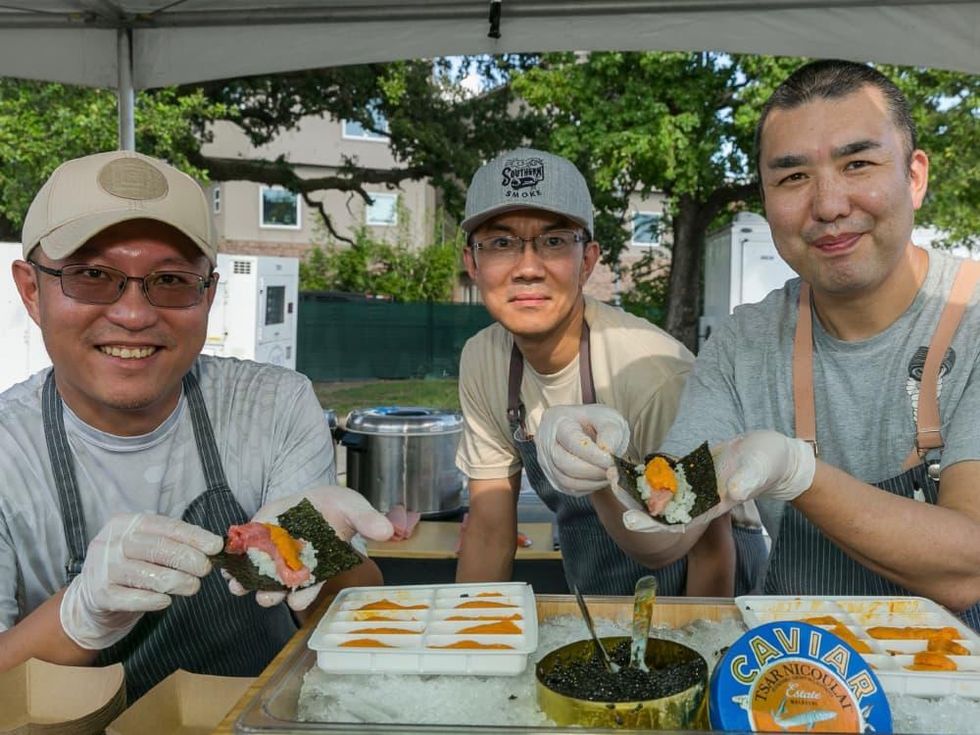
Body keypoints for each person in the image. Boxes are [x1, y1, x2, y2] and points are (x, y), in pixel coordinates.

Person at [535, 60, 980, 627]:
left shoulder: (974, 318)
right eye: (793, 177)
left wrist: (799, 473)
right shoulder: (744, 342)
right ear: (766, 196)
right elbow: (666, 537)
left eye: (858, 164)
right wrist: (602, 470)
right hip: (789, 676)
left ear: (915, 176)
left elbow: (968, 567)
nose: (828, 205)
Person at [0, 150, 393, 698]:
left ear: (208, 292)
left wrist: (320, 551)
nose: (134, 315)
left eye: (171, 280)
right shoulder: (6, 451)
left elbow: (352, 627)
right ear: (31, 290)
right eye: (91, 275)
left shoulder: (273, 406)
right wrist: (80, 613)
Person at [454, 147, 767, 597]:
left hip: (708, 577)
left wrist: (700, 650)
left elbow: (711, 550)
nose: (527, 268)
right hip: (600, 577)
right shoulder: (482, 360)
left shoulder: (655, 375)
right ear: (473, 263)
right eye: (501, 243)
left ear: (587, 260)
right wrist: (468, 646)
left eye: (554, 241)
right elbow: (488, 527)